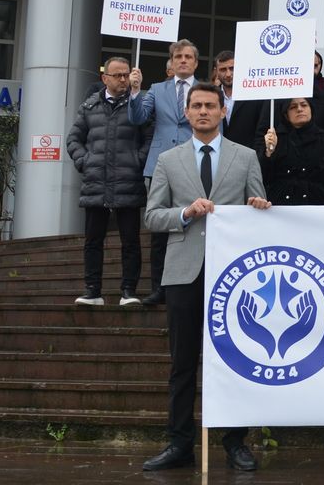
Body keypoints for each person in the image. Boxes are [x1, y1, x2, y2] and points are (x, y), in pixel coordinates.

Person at [141, 82, 270, 473]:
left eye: (210, 106)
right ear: (186, 112)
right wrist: (185, 213)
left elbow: (259, 208)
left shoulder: (246, 157)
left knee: (235, 358)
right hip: (184, 272)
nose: (202, 111)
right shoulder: (168, 160)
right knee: (182, 363)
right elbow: (152, 216)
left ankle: (235, 441)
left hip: (233, 274)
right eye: (196, 105)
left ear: (222, 111)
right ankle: (179, 443)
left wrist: (258, 206)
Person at [66, 56, 151, 306]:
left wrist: (137, 161)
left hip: (128, 180)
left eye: (126, 74)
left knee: (130, 241)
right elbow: (73, 139)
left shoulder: (138, 105)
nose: (123, 79)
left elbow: (150, 137)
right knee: (93, 241)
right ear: (105, 78)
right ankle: (92, 291)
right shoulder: (89, 106)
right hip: (96, 182)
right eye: (118, 75)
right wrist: (85, 161)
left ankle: (129, 291)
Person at [128, 38, 201, 306]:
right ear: (171, 62)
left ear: (196, 62)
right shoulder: (157, 89)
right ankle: (159, 288)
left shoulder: (205, 90)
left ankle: (193, 285)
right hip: (160, 166)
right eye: (178, 56)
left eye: (188, 56)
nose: (183, 60)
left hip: (195, 164)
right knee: (160, 230)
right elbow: (138, 118)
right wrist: (135, 91)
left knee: (194, 227)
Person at [259, 97, 324, 206]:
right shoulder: (275, 140)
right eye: (293, 107)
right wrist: (268, 153)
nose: (299, 109)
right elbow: (264, 178)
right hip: (281, 205)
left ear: (311, 109)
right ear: (286, 114)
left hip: (317, 205)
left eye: (304, 105)